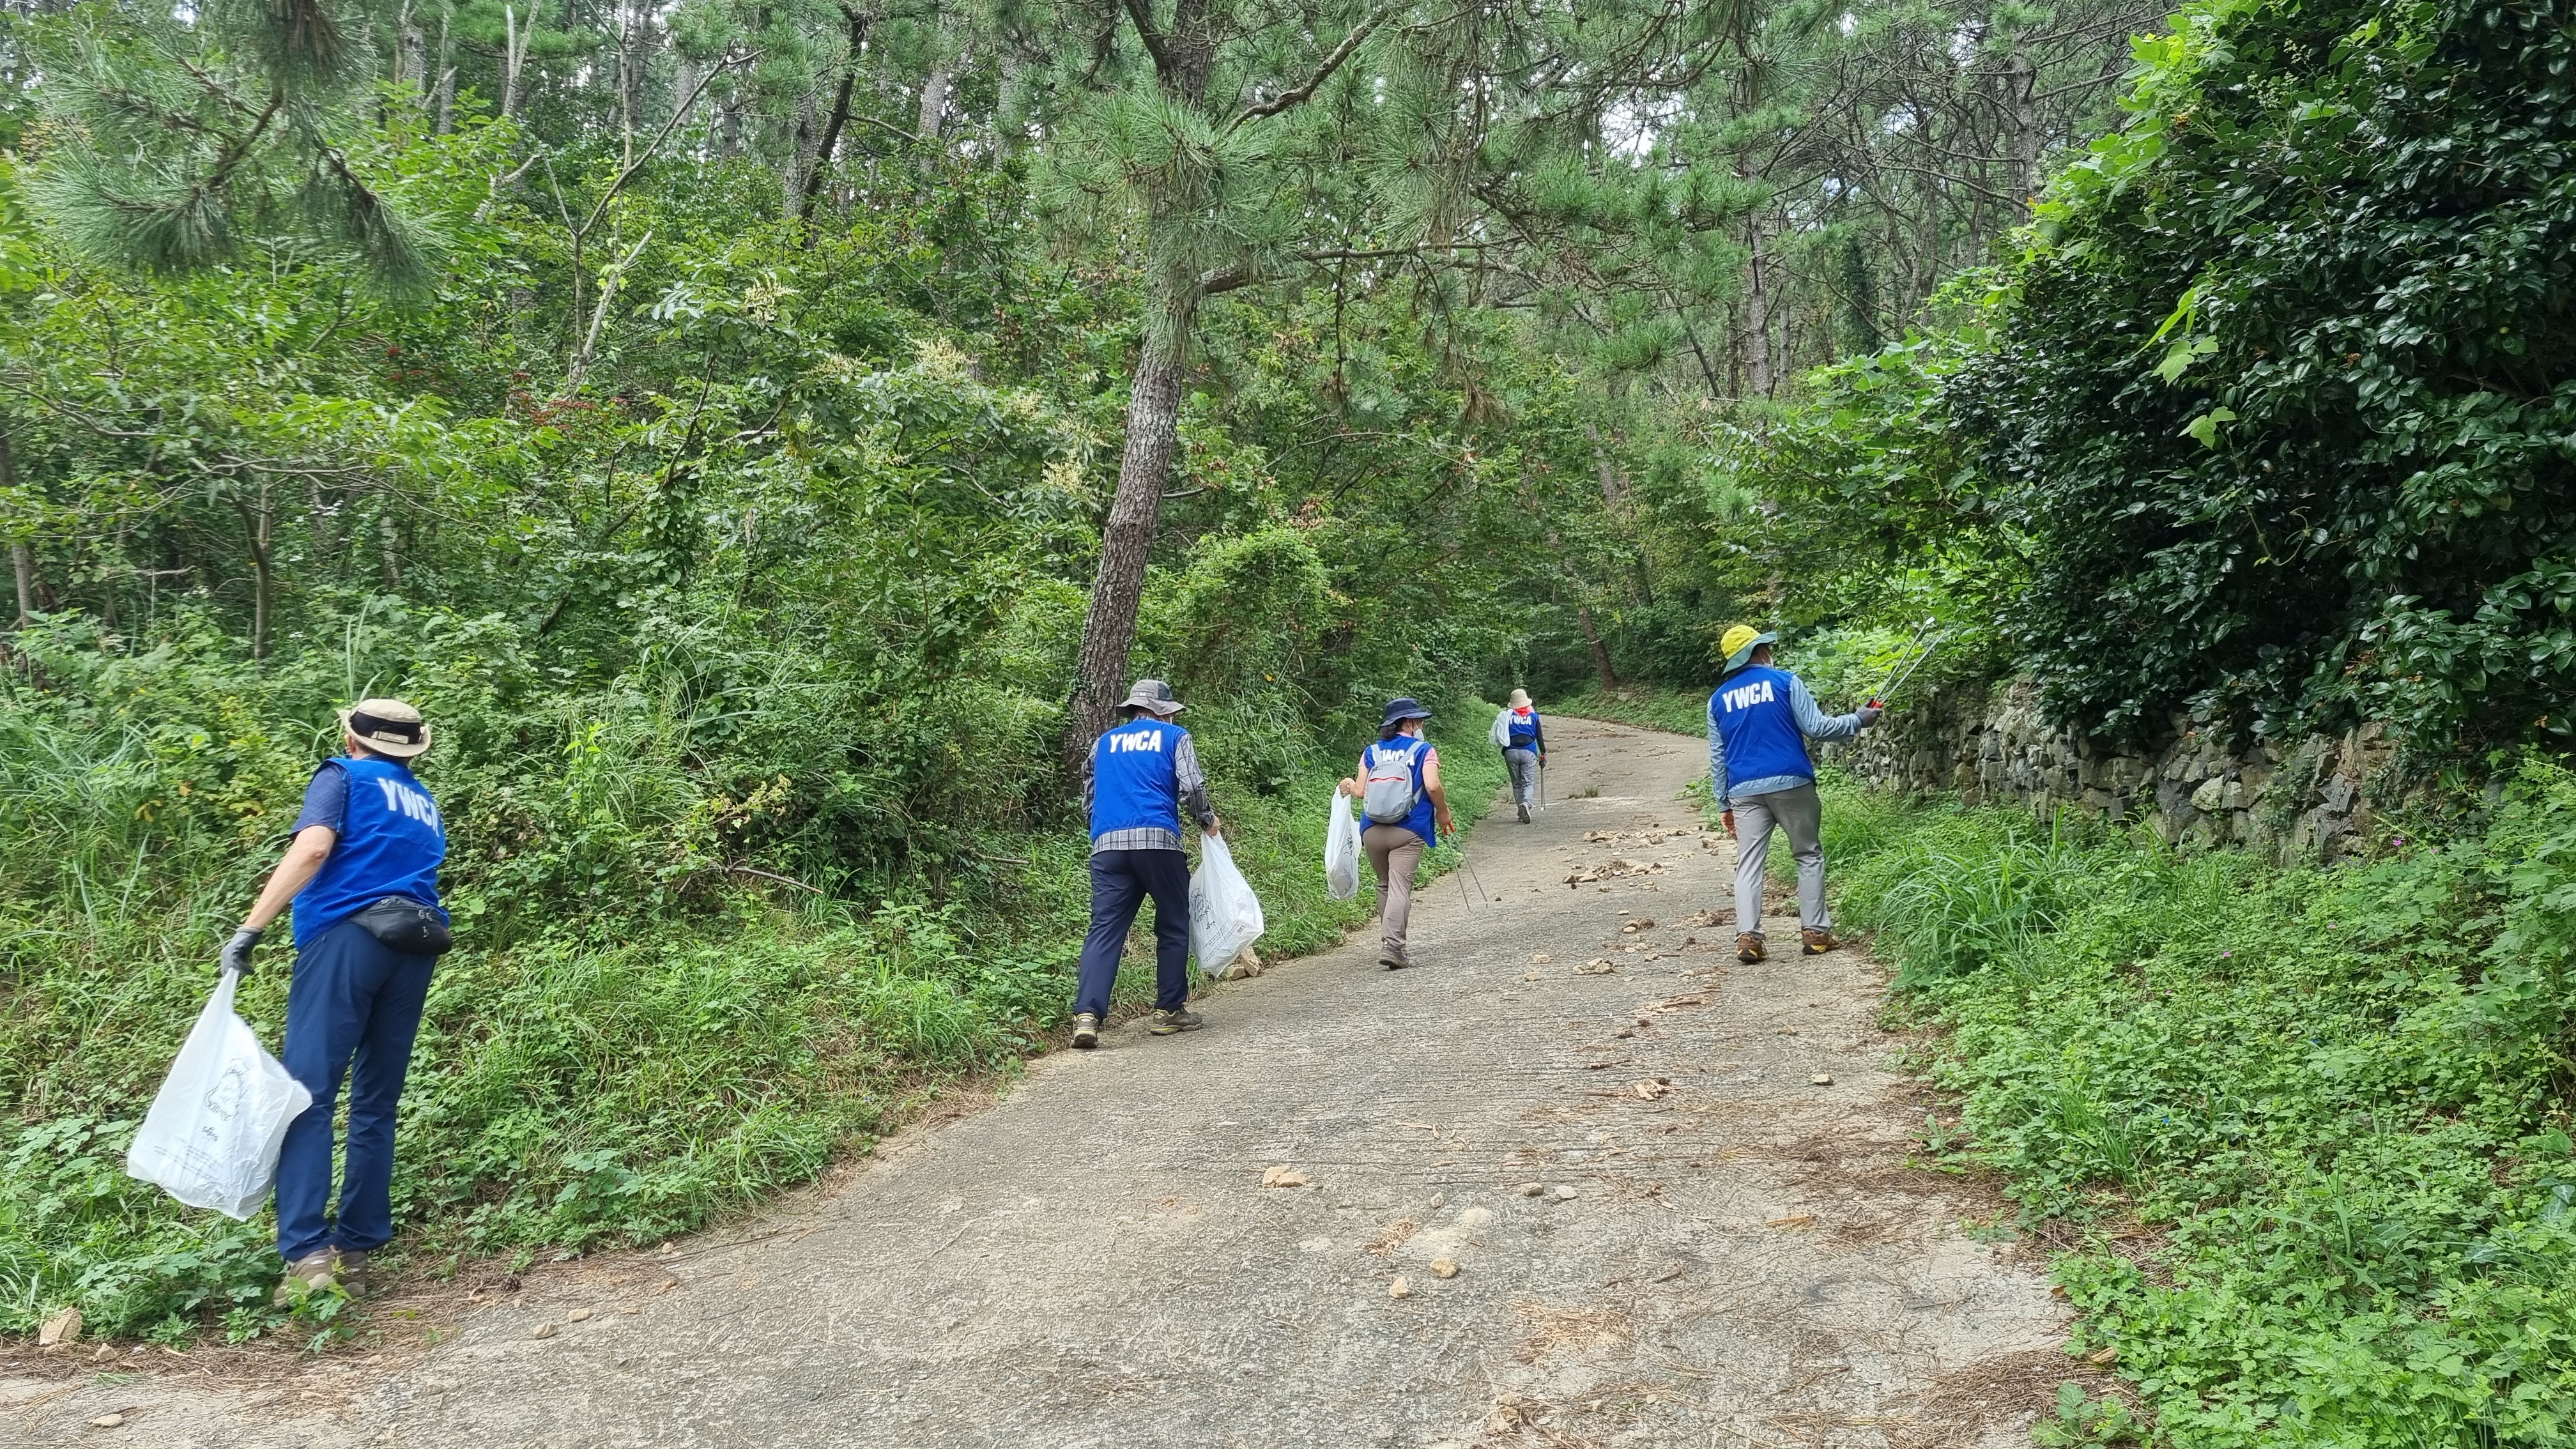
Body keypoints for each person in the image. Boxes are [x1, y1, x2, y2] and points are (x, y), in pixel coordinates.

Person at [218, 698, 452, 1305]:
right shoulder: (423, 802)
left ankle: (306, 1254)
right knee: (377, 1101)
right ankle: (358, 1249)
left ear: (352, 739)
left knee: (310, 1094)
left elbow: (314, 847)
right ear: (411, 748)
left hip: (347, 940)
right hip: (414, 947)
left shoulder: (341, 776)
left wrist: (251, 928)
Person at [1706, 627, 1882, 965]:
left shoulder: (1718, 700)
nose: (1770, 651)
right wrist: (1857, 720)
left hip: (1743, 790)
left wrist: (1723, 804)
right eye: (1766, 647)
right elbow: (1817, 728)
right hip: (1791, 782)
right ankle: (1816, 934)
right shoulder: (1785, 682)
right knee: (1807, 854)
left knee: (1749, 864)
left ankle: (1749, 939)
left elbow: (1718, 757)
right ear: (1759, 652)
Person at [1071, 678, 1222, 1048]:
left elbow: (1088, 793)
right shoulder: (1174, 737)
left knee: (1105, 928)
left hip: (1107, 846)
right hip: (1158, 842)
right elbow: (1191, 787)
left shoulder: (1102, 743)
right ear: (1162, 711)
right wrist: (1208, 820)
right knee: (1173, 922)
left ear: (1134, 710)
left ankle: (1087, 1016)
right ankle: (1168, 1010)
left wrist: (1100, 826)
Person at [1339, 697, 1455, 969]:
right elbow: (1433, 786)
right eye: (1419, 719)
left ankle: (1389, 943)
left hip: (1372, 832)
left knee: (1385, 885)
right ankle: (1393, 946)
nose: (1422, 723)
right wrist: (1443, 812)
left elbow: (1359, 791)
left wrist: (1346, 784)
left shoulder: (1371, 752)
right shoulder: (1424, 750)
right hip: (1408, 830)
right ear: (1409, 723)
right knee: (1400, 887)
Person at [1489, 688, 1547, 824]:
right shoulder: (1533, 717)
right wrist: (1543, 753)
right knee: (1528, 782)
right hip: (1528, 752)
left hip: (1510, 752)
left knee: (1517, 784)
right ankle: (1526, 804)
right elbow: (1539, 737)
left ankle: (1521, 811)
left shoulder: (1507, 716)